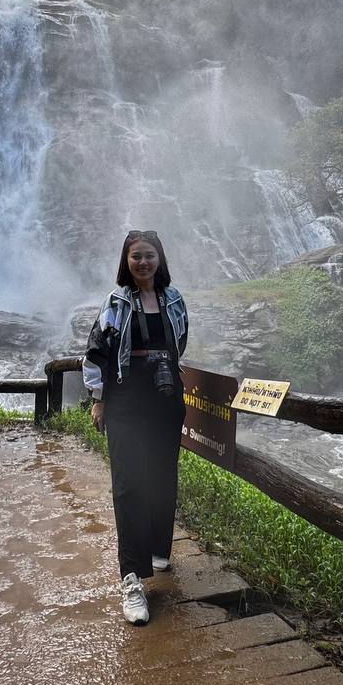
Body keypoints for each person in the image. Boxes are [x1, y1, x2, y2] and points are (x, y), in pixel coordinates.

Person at [82, 230, 188, 625]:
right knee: (128, 484)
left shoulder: (174, 299)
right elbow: (95, 352)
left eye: (149, 255)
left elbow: (180, 341)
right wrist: (98, 398)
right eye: (136, 256)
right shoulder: (115, 303)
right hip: (126, 398)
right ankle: (131, 579)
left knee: (163, 474)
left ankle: (159, 548)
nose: (143, 262)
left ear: (160, 259)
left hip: (165, 395)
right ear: (126, 262)